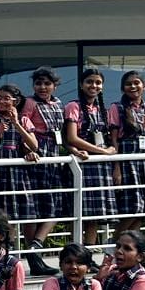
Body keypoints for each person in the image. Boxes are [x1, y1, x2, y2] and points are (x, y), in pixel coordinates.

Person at [21, 67, 68, 275]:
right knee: (33, 207)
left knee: (55, 206)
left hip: (54, 154)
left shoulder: (58, 103)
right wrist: (28, 151)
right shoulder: (30, 103)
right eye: (38, 83)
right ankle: (35, 260)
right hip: (36, 154)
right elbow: (22, 129)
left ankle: (36, 245)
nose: (42, 87)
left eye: (47, 83)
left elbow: (63, 132)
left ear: (54, 86)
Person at [64, 68, 117, 252]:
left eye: (98, 82)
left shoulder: (103, 109)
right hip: (82, 163)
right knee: (79, 209)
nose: (93, 85)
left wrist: (108, 151)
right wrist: (102, 151)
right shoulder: (73, 106)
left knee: (95, 213)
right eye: (89, 82)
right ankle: (76, 251)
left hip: (100, 166)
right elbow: (72, 138)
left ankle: (89, 251)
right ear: (81, 84)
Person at [112, 71, 145, 233]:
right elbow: (114, 140)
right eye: (128, 84)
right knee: (133, 208)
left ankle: (130, 244)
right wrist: (116, 167)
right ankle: (114, 242)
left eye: (136, 83)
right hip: (127, 162)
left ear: (144, 86)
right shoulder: (117, 108)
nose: (133, 86)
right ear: (123, 88)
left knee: (143, 211)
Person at [0, 84, 39, 231]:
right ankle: (7, 242)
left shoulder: (23, 120)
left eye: (6, 98)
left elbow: (34, 145)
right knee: (2, 211)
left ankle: (32, 245)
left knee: (26, 209)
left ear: (16, 101)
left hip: (18, 171)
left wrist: (16, 123)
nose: (1, 102)